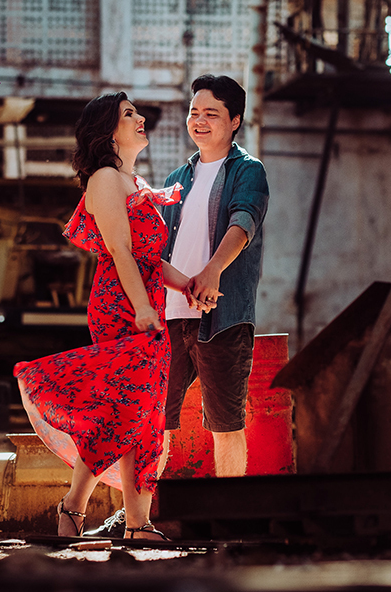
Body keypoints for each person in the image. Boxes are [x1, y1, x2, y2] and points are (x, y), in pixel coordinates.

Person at [14, 91, 206, 541]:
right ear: (108, 132)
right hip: (122, 305)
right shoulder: (104, 177)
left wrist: (189, 285)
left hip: (146, 300)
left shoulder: (132, 182)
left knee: (132, 411)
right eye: (128, 114)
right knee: (134, 407)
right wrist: (141, 306)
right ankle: (123, 519)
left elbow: (148, 257)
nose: (140, 119)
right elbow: (119, 249)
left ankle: (95, 513)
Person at [85, 74, 269, 538]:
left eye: (211, 114)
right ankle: (137, 516)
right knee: (153, 422)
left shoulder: (248, 171)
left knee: (225, 421)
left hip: (221, 316)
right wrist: (171, 288)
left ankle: (230, 518)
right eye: (194, 112)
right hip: (167, 315)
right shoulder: (174, 179)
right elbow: (152, 251)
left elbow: (243, 223)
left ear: (235, 121)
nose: (199, 121)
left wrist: (212, 271)